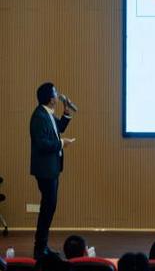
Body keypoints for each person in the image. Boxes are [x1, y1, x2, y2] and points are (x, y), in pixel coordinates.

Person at [30, 82, 75, 259]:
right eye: (56, 93)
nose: (58, 95)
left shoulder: (47, 114)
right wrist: (62, 143)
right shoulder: (39, 116)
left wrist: (66, 110)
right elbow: (42, 144)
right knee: (48, 208)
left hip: (52, 168)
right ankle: (40, 249)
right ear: (50, 98)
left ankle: (42, 247)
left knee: (49, 207)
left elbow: (60, 128)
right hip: (45, 170)